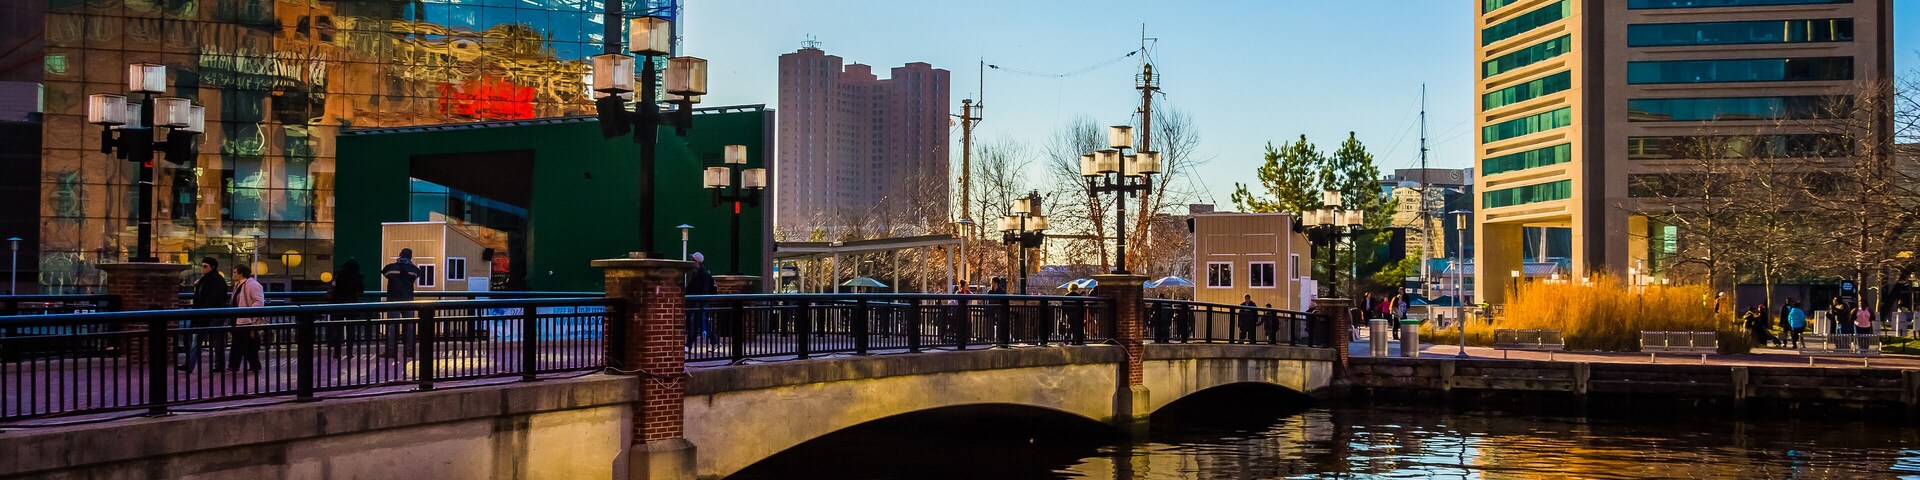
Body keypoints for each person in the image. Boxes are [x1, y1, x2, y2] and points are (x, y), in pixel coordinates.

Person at [178, 258, 229, 373]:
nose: (203, 268)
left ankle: (216, 365)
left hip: (211, 314)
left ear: (213, 267)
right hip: (204, 314)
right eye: (202, 266)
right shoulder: (206, 280)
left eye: (205, 266)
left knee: (215, 341)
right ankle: (189, 364)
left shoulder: (216, 280)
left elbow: (213, 298)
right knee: (198, 340)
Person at [379, 248, 422, 358]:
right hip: (408, 299)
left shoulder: (391, 268)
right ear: (410, 257)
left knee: (392, 326)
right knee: (409, 326)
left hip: (393, 299)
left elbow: (385, 272)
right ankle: (410, 350)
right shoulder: (414, 270)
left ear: (400, 255)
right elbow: (417, 274)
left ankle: (391, 350)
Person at [228, 264, 265, 372]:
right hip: (240, 318)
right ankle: (252, 365)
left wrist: (248, 312)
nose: (233, 274)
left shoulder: (252, 285)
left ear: (241, 273)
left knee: (241, 343)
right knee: (246, 344)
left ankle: (235, 366)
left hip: (246, 320)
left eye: (235, 272)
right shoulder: (240, 285)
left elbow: (259, 301)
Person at [327, 258, 365, 358]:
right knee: (351, 330)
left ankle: (337, 352)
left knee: (338, 329)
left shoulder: (338, 274)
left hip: (338, 304)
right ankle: (349, 352)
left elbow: (334, 287)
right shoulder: (358, 276)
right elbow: (360, 290)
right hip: (352, 304)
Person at [684, 252, 717, 346]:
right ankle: (715, 342)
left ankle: (688, 345)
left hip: (699, 302)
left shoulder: (701, 274)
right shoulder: (702, 273)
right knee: (703, 322)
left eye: (692, 260)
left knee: (695, 323)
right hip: (701, 302)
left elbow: (700, 288)